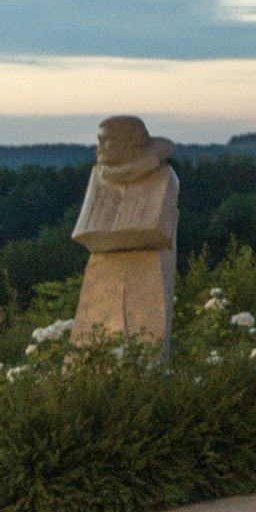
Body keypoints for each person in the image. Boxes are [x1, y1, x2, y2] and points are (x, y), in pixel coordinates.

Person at [70, 116, 179, 358]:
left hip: (148, 269)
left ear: (134, 143)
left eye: (105, 141)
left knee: (145, 350)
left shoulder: (163, 178)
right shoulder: (98, 177)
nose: (98, 147)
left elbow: (153, 228)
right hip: (102, 266)